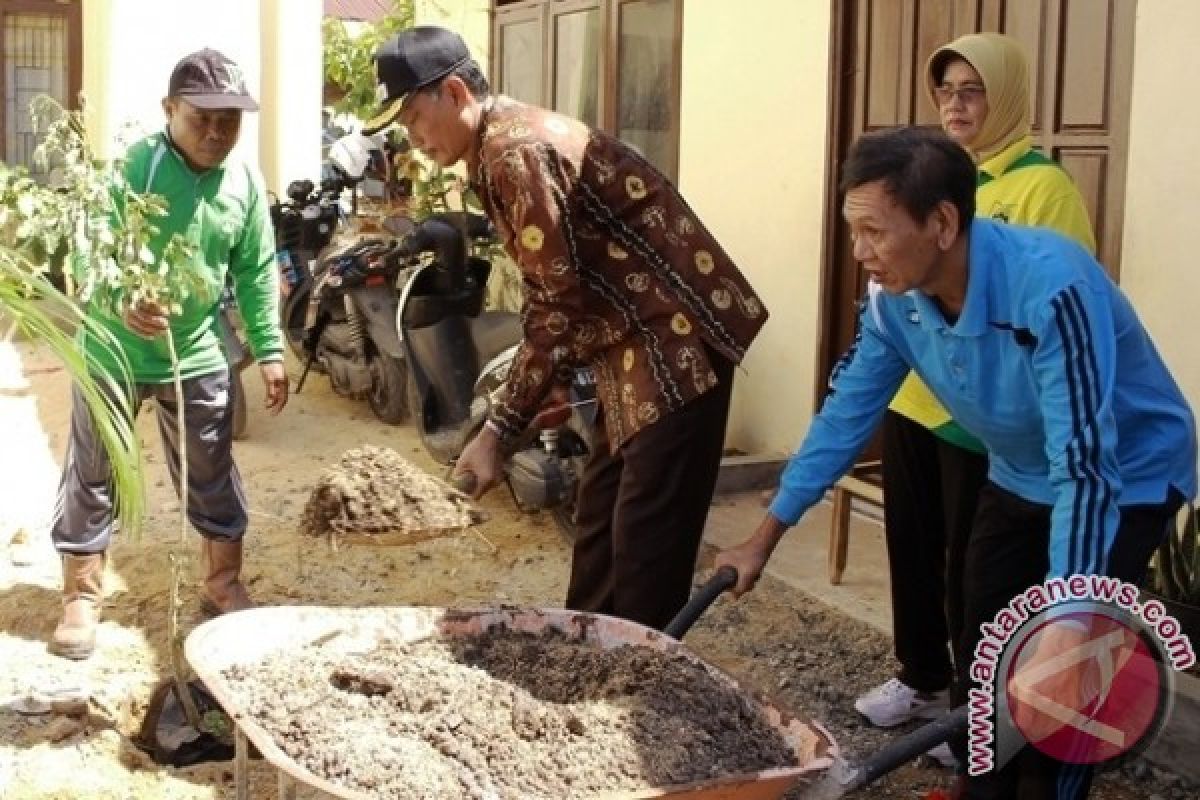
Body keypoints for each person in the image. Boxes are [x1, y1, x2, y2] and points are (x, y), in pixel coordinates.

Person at [716, 126, 1195, 799]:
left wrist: (1069, 618)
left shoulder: (1050, 288)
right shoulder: (894, 302)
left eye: (875, 232)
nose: (860, 254)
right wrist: (764, 536)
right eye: (854, 232)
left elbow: (1087, 467)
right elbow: (846, 413)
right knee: (988, 646)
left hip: (1128, 477)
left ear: (942, 222)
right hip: (1018, 469)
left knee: (1067, 671)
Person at [361, 26, 767, 631]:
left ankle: (639, 700)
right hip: (628, 345)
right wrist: (542, 389)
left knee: (643, 543)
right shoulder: (498, 145)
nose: (412, 139)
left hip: (673, 341)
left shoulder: (513, 151)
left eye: (415, 117)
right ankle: (584, 659)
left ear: (453, 92)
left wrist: (500, 429)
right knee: (600, 520)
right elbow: (563, 286)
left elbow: (556, 306)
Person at [854, 32, 1098, 741]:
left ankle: (972, 712)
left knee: (976, 571)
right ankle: (922, 680)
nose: (955, 105)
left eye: (971, 91)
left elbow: (1062, 304)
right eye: (945, 92)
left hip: (984, 415)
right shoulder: (929, 175)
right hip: (916, 398)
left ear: (1007, 97)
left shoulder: (1042, 188)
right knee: (911, 544)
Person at [50, 48, 289, 660]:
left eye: (229, 120)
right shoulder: (134, 166)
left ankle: (222, 584)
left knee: (210, 471)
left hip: (198, 353)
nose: (216, 131)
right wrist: (121, 294)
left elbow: (258, 270)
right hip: (113, 349)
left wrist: (268, 349)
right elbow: (88, 251)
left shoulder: (243, 184)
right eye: (201, 117)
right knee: (94, 469)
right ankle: (81, 595)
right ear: (168, 110)